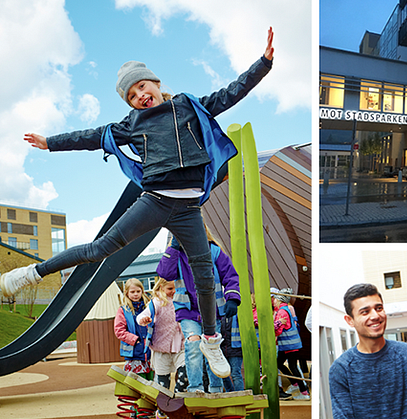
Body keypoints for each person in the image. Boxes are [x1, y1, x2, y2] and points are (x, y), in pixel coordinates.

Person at [1, 28, 275, 378]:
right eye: (131, 95)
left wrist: (263, 64)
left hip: (190, 208)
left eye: (142, 87)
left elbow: (231, 93)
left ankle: (210, 339)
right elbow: (90, 137)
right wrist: (50, 142)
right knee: (101, 248)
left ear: (155, 83)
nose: (139, 96)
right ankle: (31, 273)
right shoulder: (131, 124)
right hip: (156, 201)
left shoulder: (189, 106)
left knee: (204, 275)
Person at [329, 283, 407, 419]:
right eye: (365, 312)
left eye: (379, 308)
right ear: (350, 320)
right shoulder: (341, 369)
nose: (375, 316)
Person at [157, 227, 241, 393]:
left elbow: (230, 276)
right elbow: (165, 273)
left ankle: (216, 388)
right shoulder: (178, 255)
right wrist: (173, 246)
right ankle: (196, 388)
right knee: (193, 343)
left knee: (212, 348)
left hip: (211, 310)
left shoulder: (214, 251)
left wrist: (232, 298)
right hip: (188, 311)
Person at [136, 277, 188, 394]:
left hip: (180, 346)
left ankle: (178, 396)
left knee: (186, 372)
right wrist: (144, 320)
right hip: (161, 347)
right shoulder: (157, 302)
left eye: (176, 288)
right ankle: (162, 408)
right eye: (170, 288)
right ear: (161, 288)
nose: (174, 291)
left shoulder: (182, 299)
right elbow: (140, 316)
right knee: (162, 383)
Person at [272, 287, 310, 400]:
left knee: (292, 366)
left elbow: (279, 329)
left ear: (279, 300)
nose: (273, 300)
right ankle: (295, 384)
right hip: (289, 344)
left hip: (289, 344)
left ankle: (303, 392)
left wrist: (272, 327)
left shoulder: (282, 312)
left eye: (275, 298)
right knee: (281, 364)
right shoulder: (286, 309)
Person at [114, 278, 153, 381]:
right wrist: (134, 340)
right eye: (132, 292)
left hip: (149, 351)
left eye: (138, 291)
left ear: (142, 291)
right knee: (137, 381)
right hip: (134, 352)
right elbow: (119, 330)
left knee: (150, 381)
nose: (136, 294)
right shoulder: (123, 310)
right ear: (127, 293)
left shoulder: (148, 308)